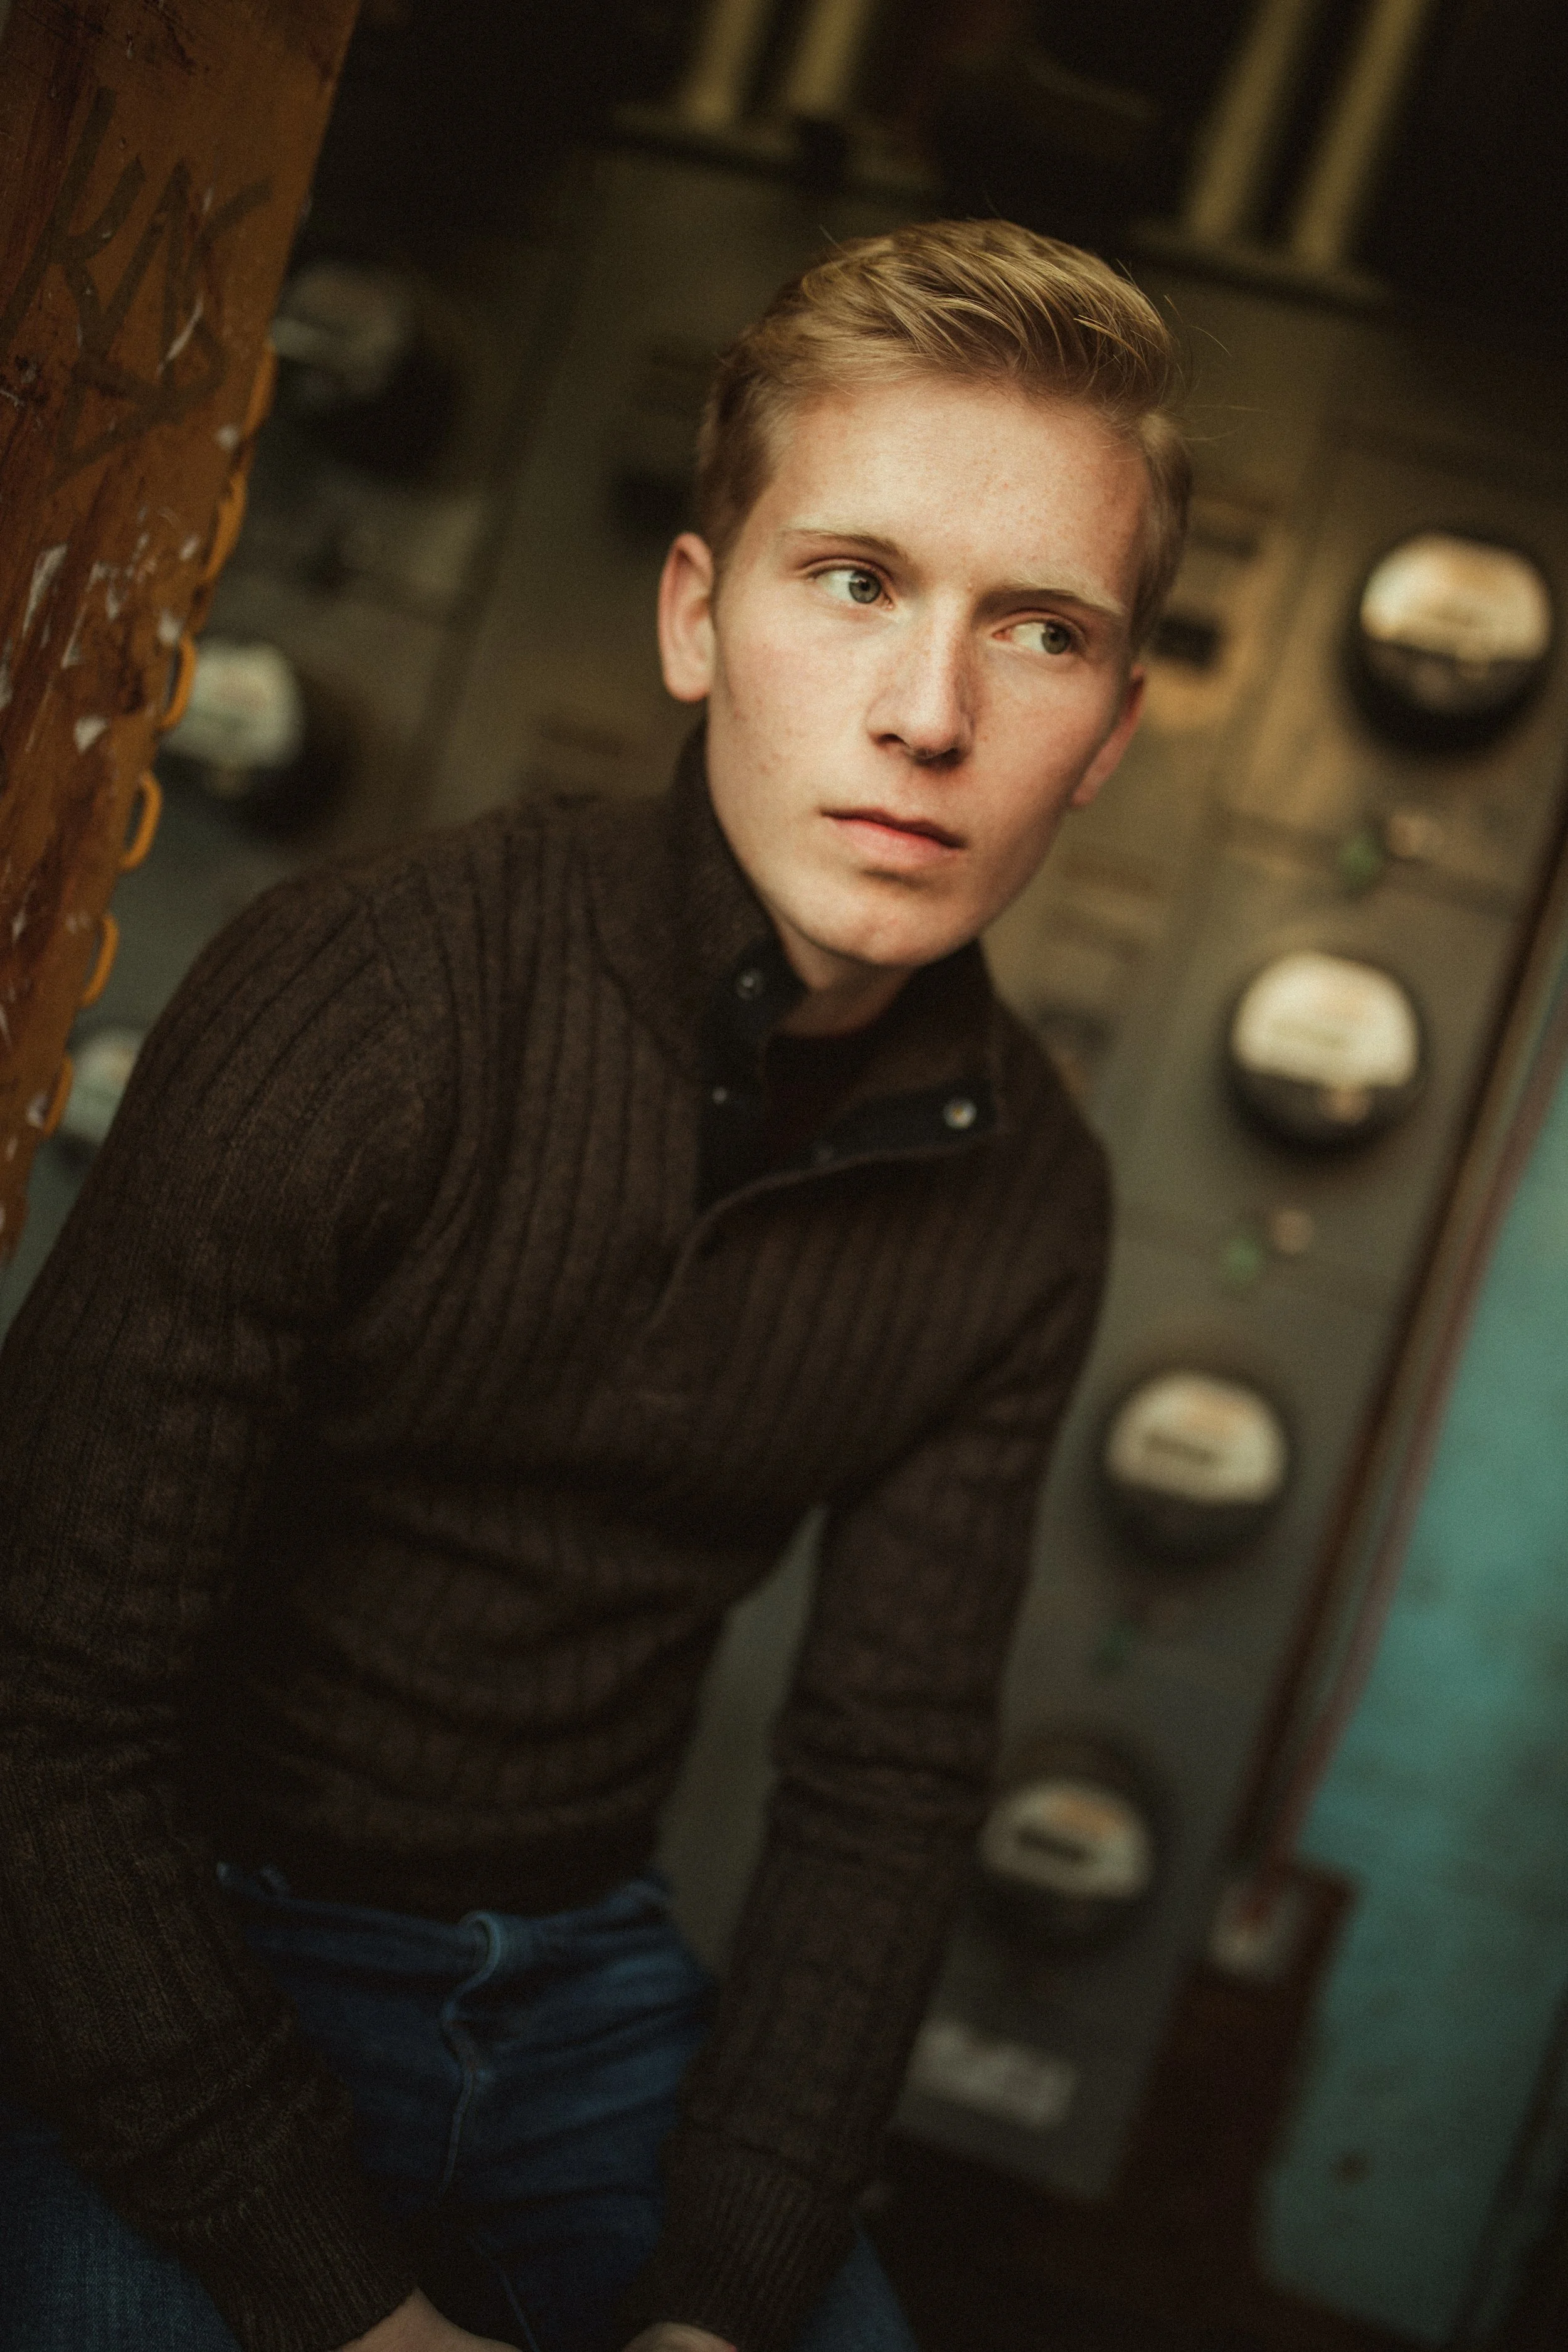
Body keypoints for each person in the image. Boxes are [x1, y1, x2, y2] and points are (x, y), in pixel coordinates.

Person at [0, 218, 1189, 2352]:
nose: (927, 714)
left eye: (1038, 631)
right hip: (164, 1940)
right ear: (692, 617)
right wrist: (347, 2308)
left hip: (584, 1986)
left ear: (1106, 727)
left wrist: (725, 2303)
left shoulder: (1029, 1194)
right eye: (854, 581)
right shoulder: (373, 995)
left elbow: (881, 1789)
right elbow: (34, 1714)